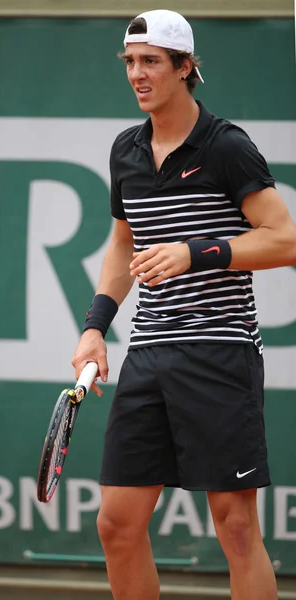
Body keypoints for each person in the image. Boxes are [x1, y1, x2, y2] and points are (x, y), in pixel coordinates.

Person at [72, 9, 296, 600]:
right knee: (117, 525)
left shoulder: (227, 146)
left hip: (220, 354)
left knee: (237, 527)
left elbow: (286, 240)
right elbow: (124, 243)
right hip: (148, 353)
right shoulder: (126, 150)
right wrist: (95, 327)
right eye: (130, 63)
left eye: (151, 62)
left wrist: (198, 253)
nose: (137, 75)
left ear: (185, 67)